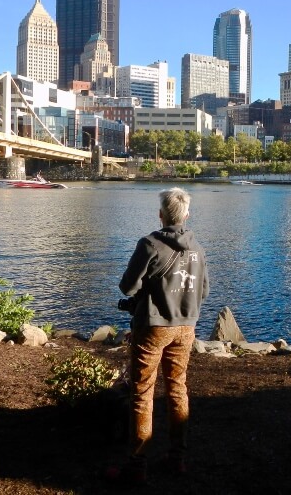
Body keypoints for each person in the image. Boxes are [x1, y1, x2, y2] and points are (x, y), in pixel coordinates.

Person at [108, 187, 209, 486]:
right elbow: (203, 292)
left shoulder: (149, 244)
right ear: (187, 215)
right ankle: (177, 459)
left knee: (142, 393)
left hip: (152, 327)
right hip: (186, 328)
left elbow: (127, 287)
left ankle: (137, 465)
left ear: (161, 214)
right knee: (178, 389)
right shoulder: (198, 249)